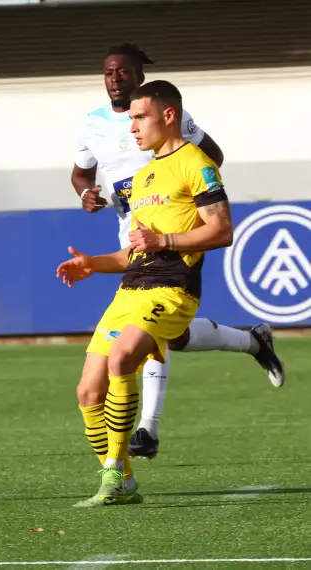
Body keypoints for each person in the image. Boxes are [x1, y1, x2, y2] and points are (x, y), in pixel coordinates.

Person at [70, 43, 284, 460]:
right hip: (130, 230)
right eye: (109, 72)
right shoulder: (89, 123)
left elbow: (211, 159)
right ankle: (253, 342)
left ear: (139, 77)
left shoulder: (170, 117)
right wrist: (89, 194)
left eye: (124, 72)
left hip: (170, 223)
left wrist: (179, 193)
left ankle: (145, 430)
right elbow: (81, 175)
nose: (115, 78)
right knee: (175, 335)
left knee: (143, 334)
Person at [57, 79, 237, 506]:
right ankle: (127, 483)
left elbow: (222, 230)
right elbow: (134, 251)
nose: (132, 126)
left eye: (140, 117)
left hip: (173, 289)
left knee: (123, 358)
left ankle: (112, 473)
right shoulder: (143, 176)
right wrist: (92, 264)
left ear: (168, 115)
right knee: (87, 393)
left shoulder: (198, 163)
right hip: (131, 289)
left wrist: (166, 242)